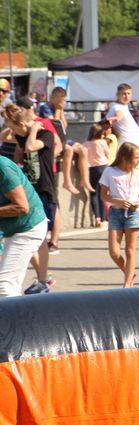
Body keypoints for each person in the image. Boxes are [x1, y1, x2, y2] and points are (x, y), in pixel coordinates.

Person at [4, 102, 57, 293]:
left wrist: (33, 128)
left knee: (40, 237)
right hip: (30, 190)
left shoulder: (45, 135)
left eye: (13, 126)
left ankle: (43, 280)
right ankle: (43, 277)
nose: (12, 131)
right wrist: (15, 126)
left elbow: (31, 147)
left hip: (44, 189)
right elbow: (8, 137)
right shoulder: (20, 135)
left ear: (23, 125)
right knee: (28, 237)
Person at [98, 142, 139, 288]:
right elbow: (103, 195)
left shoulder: (138, 173)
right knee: (113, 252)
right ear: (125, 157)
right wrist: (116, 201)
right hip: (115, 213)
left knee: (130, 250)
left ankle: (127, 283)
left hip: (133, 213)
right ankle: (129, 273)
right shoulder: (110, 171)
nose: (138, 160)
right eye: (136, 157)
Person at [0, 154, 47, 297]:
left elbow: (21, 207)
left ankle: (14, 319)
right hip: (11, 229)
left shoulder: (2, 167)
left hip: (28, 228)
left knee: (4, 284)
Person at [83, 122, 114, 226]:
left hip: (91, 168)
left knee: (93, 193)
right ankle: (104, 219)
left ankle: (97, 217)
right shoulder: (102, 142)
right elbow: (108, 154)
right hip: (103, 167)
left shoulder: (86, 144)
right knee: (102, 193)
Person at [103, 83, 139, 152]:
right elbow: (118, 116)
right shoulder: (117, 107)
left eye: (129, 93)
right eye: (124, 94)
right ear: (117, 94)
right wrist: (115, 119)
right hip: (128, 148)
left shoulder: (121, 106)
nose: (126, 96)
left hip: (132, 146)